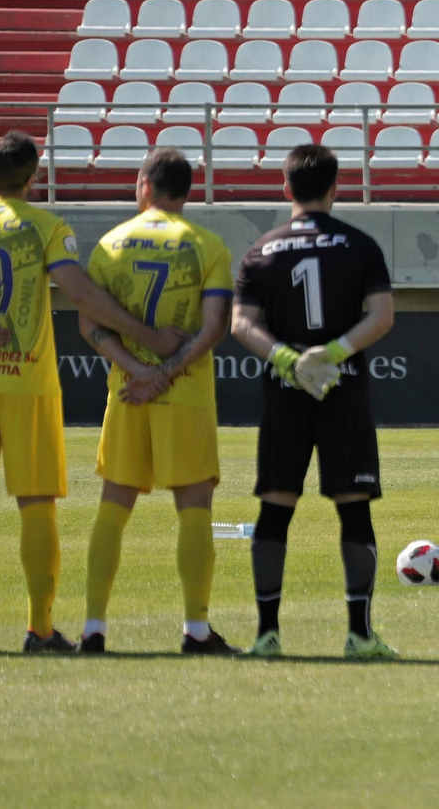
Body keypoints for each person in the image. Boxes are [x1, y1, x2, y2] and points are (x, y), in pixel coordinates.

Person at [0, 132, 186, 653]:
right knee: (35, 505)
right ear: (33, 179)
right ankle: (39, 629)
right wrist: (146, 338)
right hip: (26, 382)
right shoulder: (48, 227)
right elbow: (78, 292)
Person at [232, 144, 398, 659]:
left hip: (285, 393)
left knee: (274, 508)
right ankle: (359, 636)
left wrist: (290, 359)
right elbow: (382, 316)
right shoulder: (361, 245)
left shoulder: (261, 249)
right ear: (334, 189)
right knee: (354, 509)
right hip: (343, 391)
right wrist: (332, 353)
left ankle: (266, 636)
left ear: (286, 188)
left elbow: (241, 325)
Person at [78, 148, 238, 654]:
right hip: (185, 394)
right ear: (187, 192)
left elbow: (88, 323)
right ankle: (196, 630)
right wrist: (166, 372)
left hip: (127, 394)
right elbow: (215, 326)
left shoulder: (110, 244)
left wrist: (139, 371)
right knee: (194, 509)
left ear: (144, 185)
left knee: (113, 507)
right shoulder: (208, 246)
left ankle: (93, 629)